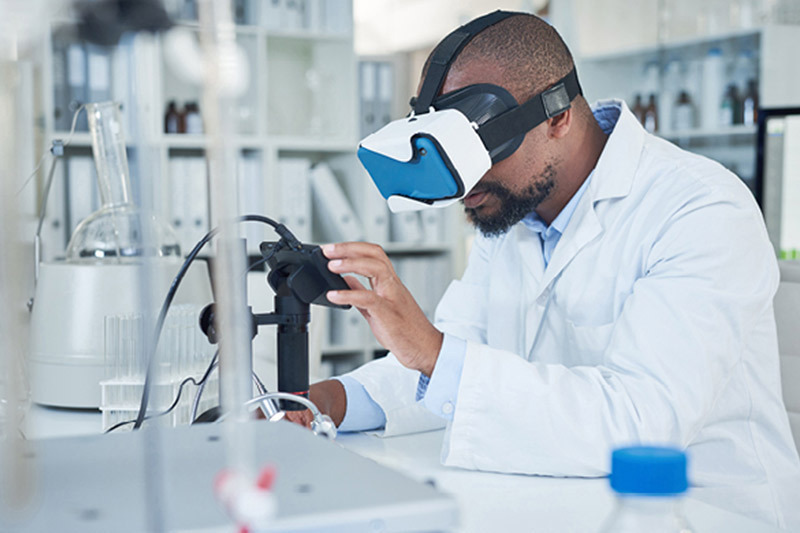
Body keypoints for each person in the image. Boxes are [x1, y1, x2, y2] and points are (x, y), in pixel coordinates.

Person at [287, 12, 800, 529]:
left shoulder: (701, 209)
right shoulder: (510, 213)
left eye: (482, 149)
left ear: (557, 116)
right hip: (562, 501)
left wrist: (433, 351)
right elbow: (441, 371)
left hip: (703, 513)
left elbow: (642, 426)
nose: (466, 185)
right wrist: (328, 402)